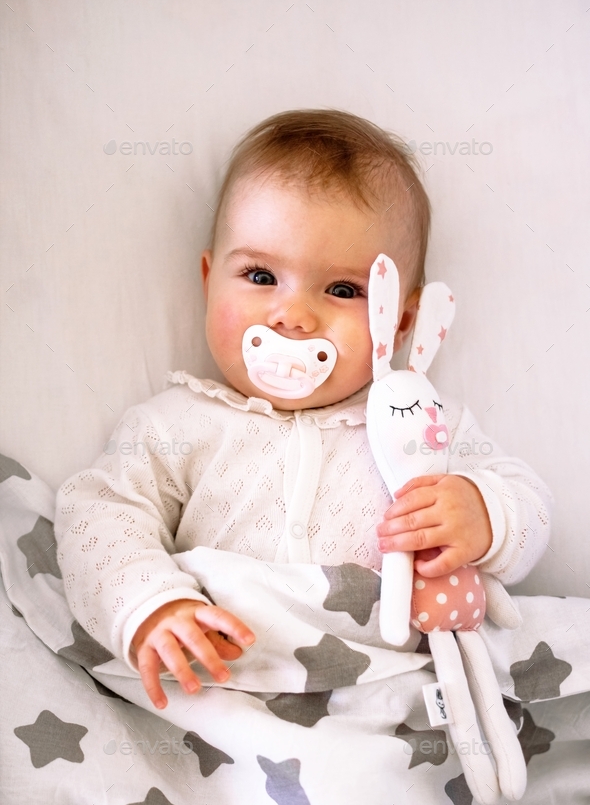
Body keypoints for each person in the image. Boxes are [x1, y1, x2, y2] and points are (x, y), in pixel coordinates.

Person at [54, 108, 551, 712]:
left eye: (343, 290)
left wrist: (484, 514)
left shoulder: (419, 422)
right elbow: (98, 516)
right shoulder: (176, 424)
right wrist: (153, 604)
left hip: (376, 693)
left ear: (401, 320)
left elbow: (526, 500)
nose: (293, 316)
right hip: (220, 688)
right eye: (260, 275)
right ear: (211, 280)